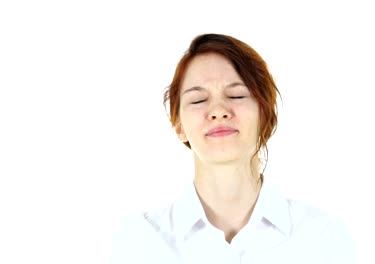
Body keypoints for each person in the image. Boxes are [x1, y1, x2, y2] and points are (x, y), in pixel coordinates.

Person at [109, 33, 356, 264]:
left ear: (265, 114)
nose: (218, 111)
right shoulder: (136, 243)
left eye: (237, 95)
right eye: (198, 100)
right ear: (178, 125)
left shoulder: (323, 238)